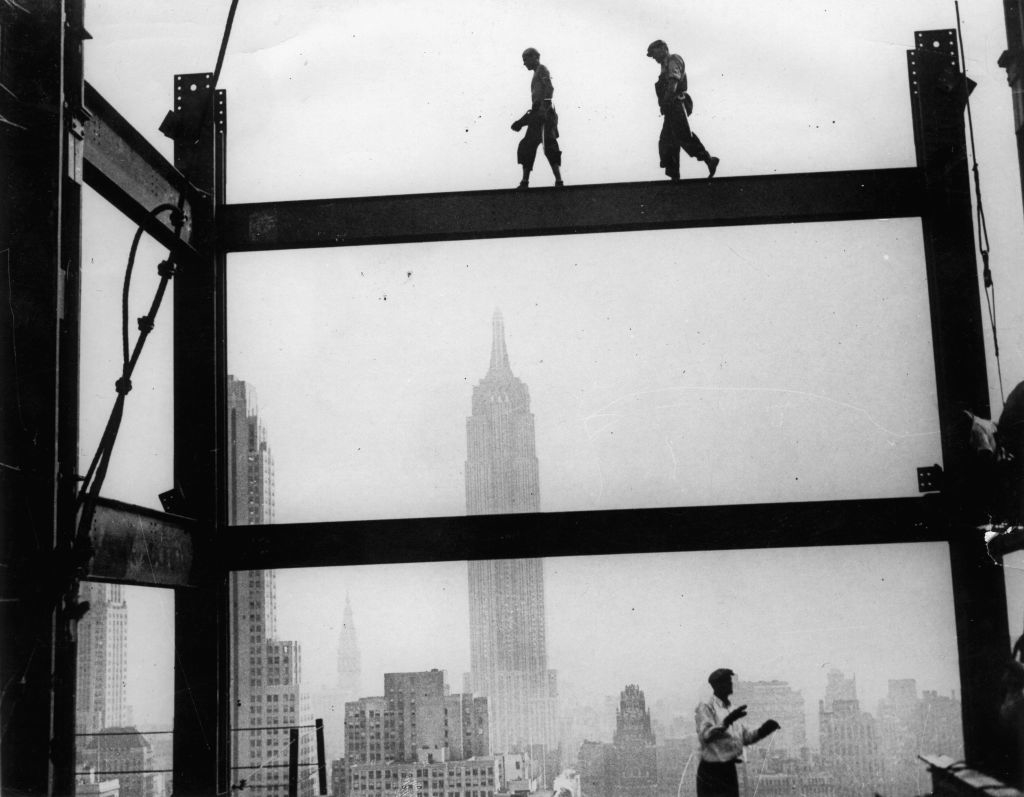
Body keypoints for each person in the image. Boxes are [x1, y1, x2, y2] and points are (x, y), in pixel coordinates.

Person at [695, 668, 779, 797]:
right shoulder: (707, 707)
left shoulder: (732, 709)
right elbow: (706, 734)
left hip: (728, 770)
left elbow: (745, 738)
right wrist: (726, 722)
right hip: (712, 772)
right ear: (717, 685)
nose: (730, 684)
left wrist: (764, 730)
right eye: (727, 682)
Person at [646, 39, 719, 181]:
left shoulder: (673, 59)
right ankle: (675, 175)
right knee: (667, 141)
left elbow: (673, 82)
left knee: (683, 135)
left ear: (663, 48)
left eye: (654, 53)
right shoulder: (664, 65)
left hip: (676, 104)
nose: (653, 58)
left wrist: (666, 102)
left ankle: (709, 159)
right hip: (670, 106)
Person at [511, 48, 563, 188]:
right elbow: (535, 106)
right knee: (527, 146)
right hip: (537, 114)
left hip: (545, 115)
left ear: (535, 57)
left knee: (549, 146)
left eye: (525, 59)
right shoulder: (536, 74)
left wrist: (544, 108)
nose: (524, 63)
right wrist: (522, 122)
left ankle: (559, 181)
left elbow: (549, 88)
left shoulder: (542, 70)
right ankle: (525, 181)